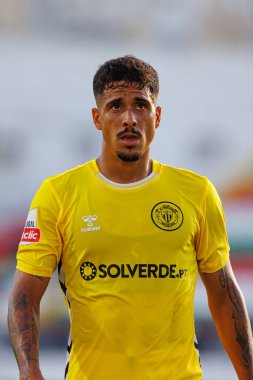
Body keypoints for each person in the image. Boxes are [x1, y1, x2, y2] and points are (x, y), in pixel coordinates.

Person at [8, 55, 253, 380]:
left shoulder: (196, 192)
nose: (129, 118)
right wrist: (30, 371)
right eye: (115, 106)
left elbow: (223, 294)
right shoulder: (59, 193)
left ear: (157, 115)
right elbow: (24, 294)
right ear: (97, 117)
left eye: (140, 105)